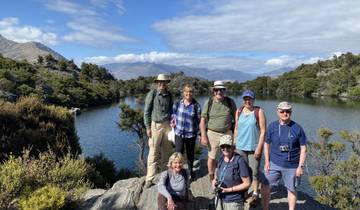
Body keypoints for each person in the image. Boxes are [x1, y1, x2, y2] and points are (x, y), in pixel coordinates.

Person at [261, 102, 307, 210]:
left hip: (292, 166)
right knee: (264, 185)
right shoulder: (272, 127)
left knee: (291, 189)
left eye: (287, 111)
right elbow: (266, 144)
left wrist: (300, 166)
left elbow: (303, 148)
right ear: (278, 112)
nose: (285, 113)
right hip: (274, 163)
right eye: (282, 111)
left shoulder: (297, 128)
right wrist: (267, 161)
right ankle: (265, 208)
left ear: (291, 112)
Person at [200, 81, 237, 182]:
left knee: (229, 155)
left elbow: (237, 118)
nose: (219, 92)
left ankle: (228, 175)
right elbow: (202, 120)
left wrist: (236, 135)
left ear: (224, 91)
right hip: (212, 133)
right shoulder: (209, 102)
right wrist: (203, 135)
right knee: (212, 157)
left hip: (227, 132)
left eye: (221, 90)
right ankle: (211, 176)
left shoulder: (230, 102)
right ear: (213, 91)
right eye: (217, 90)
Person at [234, 90, 266, 204]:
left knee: (255, 172)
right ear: (243, 100)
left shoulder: (259, 111)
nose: (248, 101)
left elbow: (263, 131)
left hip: (253, 147)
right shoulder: (239, 111)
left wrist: (259, 147)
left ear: (253, 99)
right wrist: (234, 143)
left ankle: (255, 193)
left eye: (250, 99)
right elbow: (236, 128)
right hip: (240, 147)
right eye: (245, 99)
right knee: (242, 171)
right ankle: (244, 191)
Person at [144, 74, 174, 188]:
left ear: (166, 83)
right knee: (153, 153)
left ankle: (164, 176)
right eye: (160, 82)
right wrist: (147, 127)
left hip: (167, 125)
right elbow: (146, 112)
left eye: (164, 82)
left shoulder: (169, 95)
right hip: (155, 126)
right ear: (157, 83)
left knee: (167, 152)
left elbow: (171, 110)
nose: (162, 84)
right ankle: (149, 179)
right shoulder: (152, 94)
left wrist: (173, 122)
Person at [212, 135, 251, 210]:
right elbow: (217, 174)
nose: (225, 149)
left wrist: (229, 190)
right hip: (219, 197)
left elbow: (247, 183)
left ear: (233, 147)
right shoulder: (221, 158)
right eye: (223, 146)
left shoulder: (240, 161)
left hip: (233, 201)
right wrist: (214, 182)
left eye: (228, 146)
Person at [171, 84, 201, 179]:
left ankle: (190, 171)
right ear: (183, 93)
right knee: (178, 153)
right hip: (179, 133)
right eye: (186, 91)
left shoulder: (196, 106)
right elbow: (173, 113)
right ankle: (178, 172)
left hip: (191, 134)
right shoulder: (178, 103)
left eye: (190, 92)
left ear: (193, 93)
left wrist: (200, 133)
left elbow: (200, 120)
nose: (188, 93)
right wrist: (172, 120)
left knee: (190, 153)